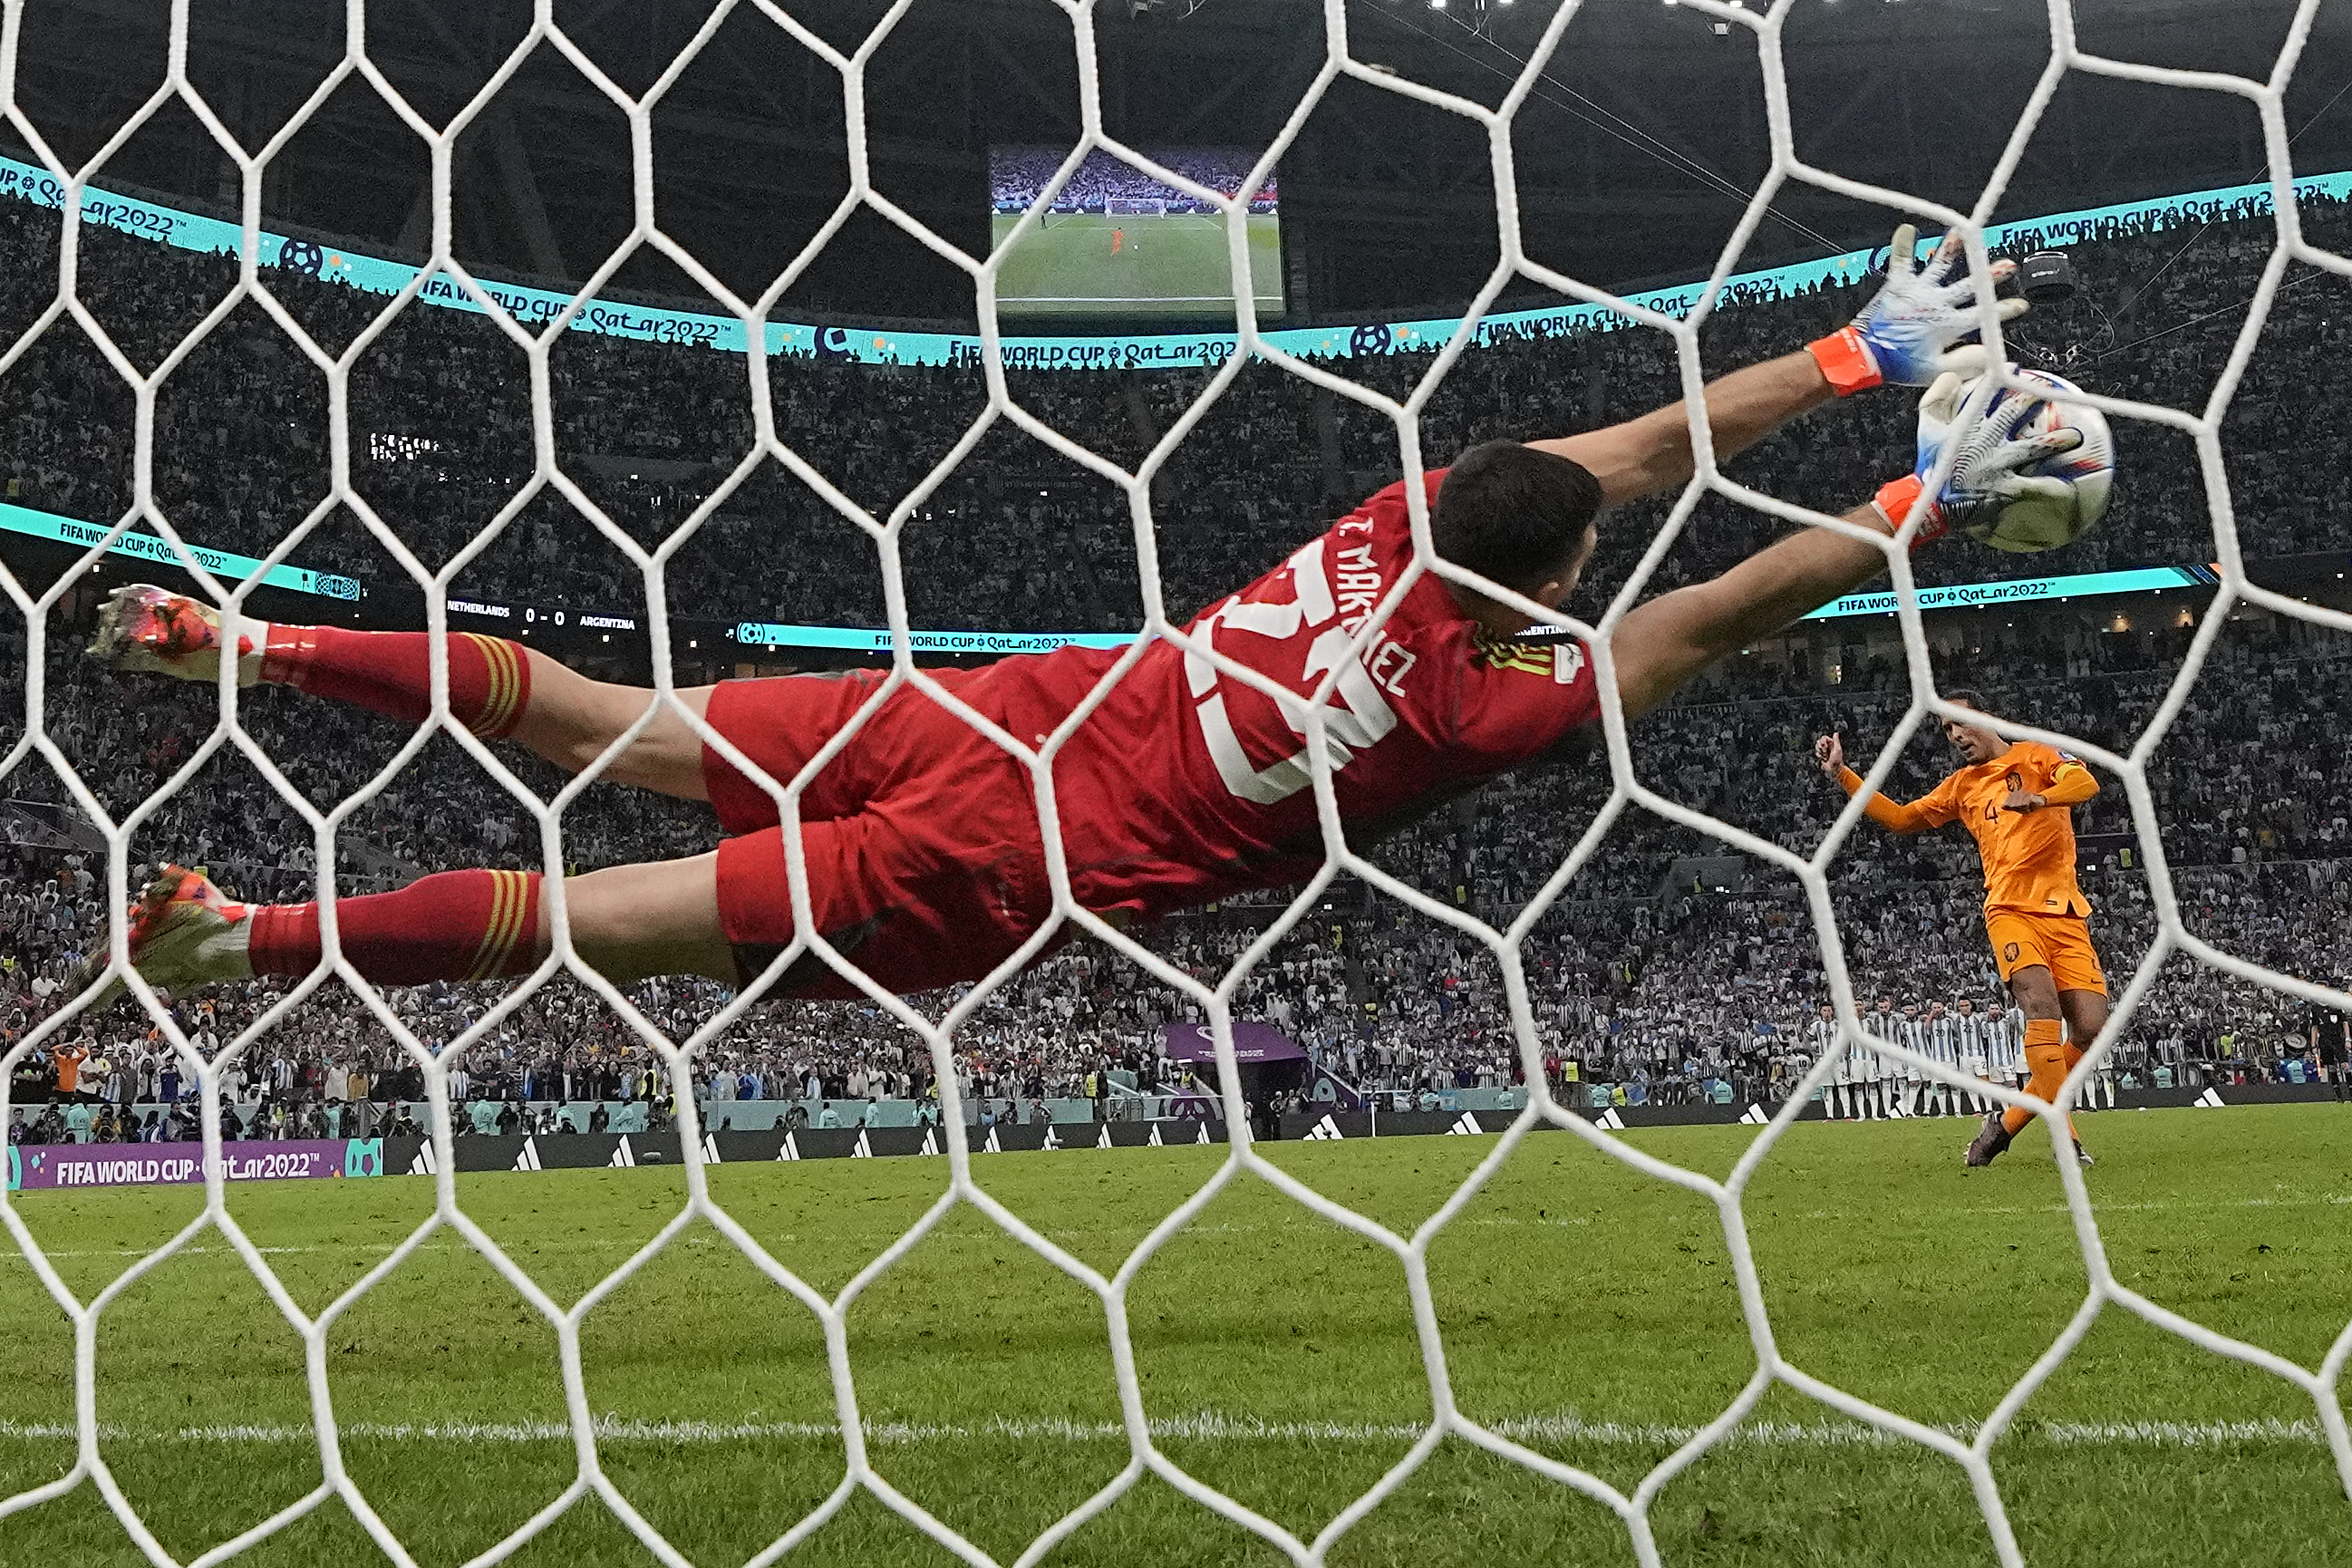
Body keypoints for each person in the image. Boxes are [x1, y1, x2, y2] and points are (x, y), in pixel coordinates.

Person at [78, 230, 2071, 1025]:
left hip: (981, 712)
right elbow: (1703, 602)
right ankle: (231, 937)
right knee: (601, 913)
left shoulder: (1387, 519)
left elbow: (1625, 448)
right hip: (996, 850)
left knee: (603, 713)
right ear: (1539, 585)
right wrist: (1918, 499)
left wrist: (1845, 355)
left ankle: (248, 645)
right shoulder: (1479, 705)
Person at [1815, 692, 2106, 1168]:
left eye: (1959, 726)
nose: (1954, 737)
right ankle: (2066, 1139)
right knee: (2040, 1004)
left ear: (1984, 718)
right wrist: (1842, 774)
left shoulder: (2038, 755)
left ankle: (2004, 1126)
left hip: (2064, 910)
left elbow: (2084, 781)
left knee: (2090, 1027)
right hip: (2009, 910)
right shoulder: (1962, 786)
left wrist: (2040, 798)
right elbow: (1901, 817)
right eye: (1947, 731)